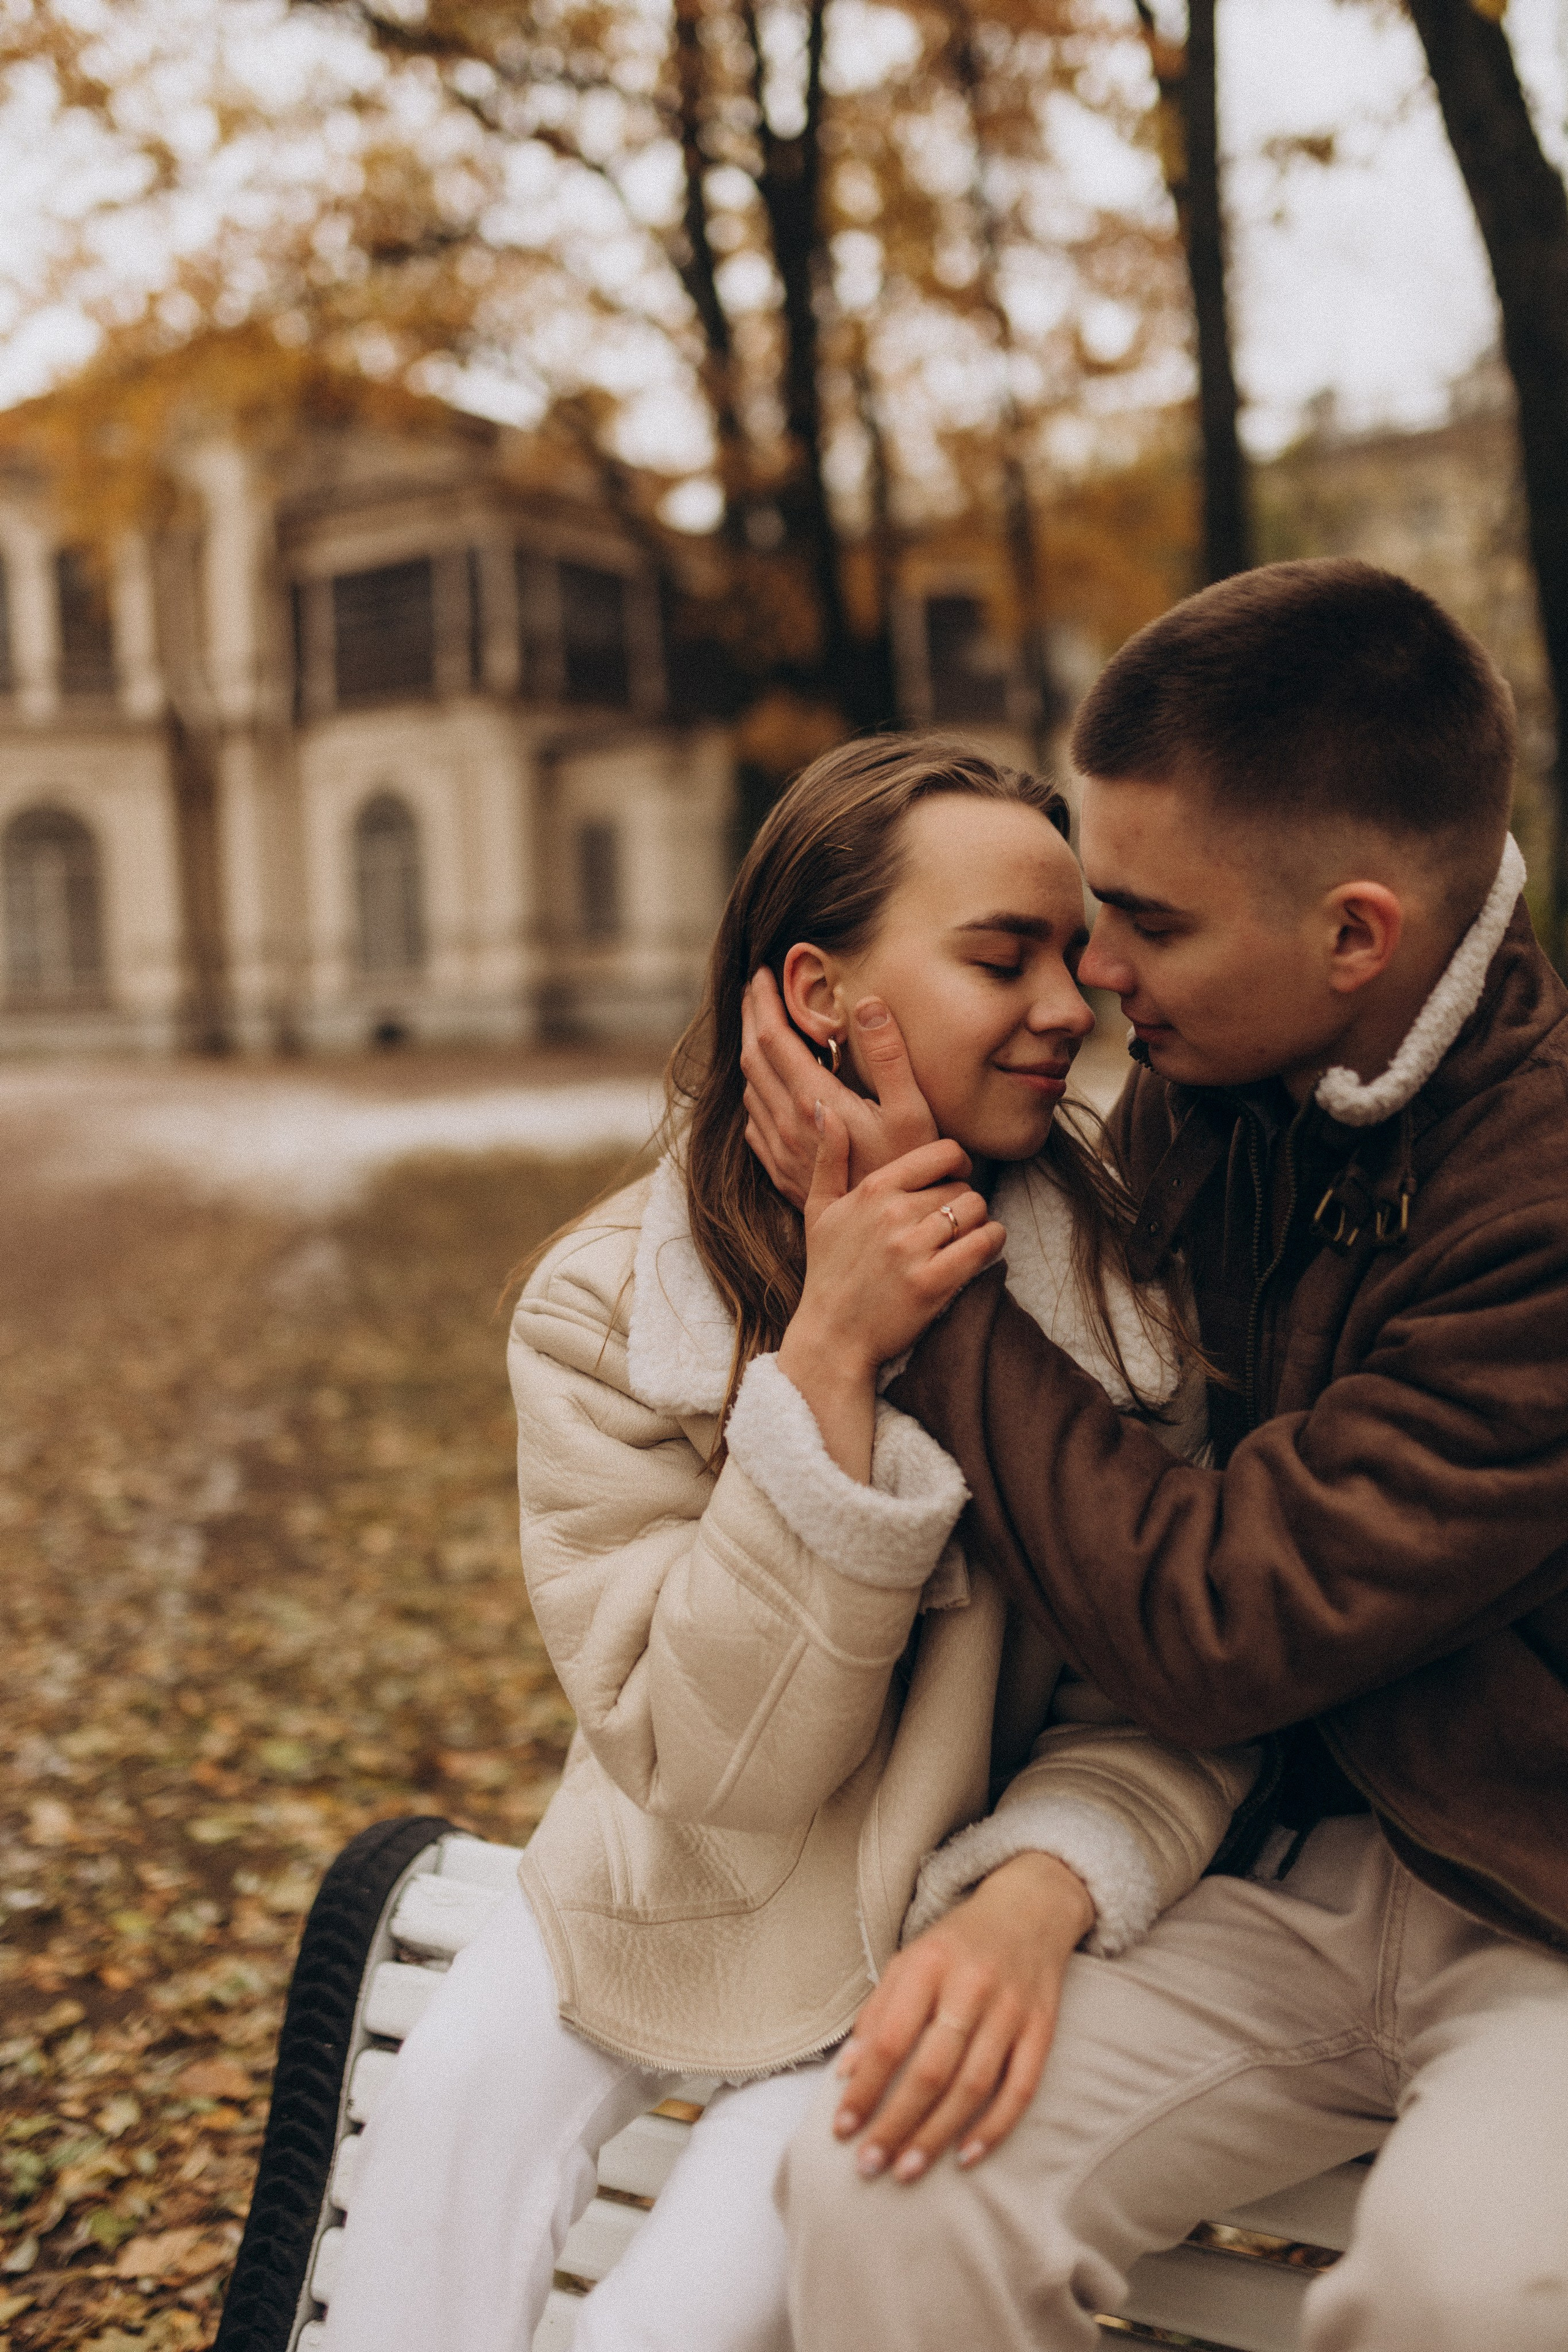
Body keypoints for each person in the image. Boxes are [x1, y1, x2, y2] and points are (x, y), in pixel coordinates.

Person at [318, 736, 1259, 2352]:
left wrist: (1028, 1895)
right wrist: (826, 1360)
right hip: (656, 1889)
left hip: (926, 1947)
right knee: (425, 2163)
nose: (1069, 1003)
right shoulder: (609, 1308)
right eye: (1000, 957)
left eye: (1070, 950)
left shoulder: (1137, 1311)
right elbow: (710, 1766)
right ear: (820, 993)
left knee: (674, 2327)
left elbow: (1179, 1707)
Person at [741, 560, 1568, 2352]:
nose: (1095, 983)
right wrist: (1050, 1880)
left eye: (1146, 925)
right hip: (1266, 1870)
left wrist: (923, 1278)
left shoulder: (1546, 1206)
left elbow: (1215, 1614)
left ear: (1357, 937)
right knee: (890, 2183)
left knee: (1468, 2292)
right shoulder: (1218, 1080)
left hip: (1541, 1914)